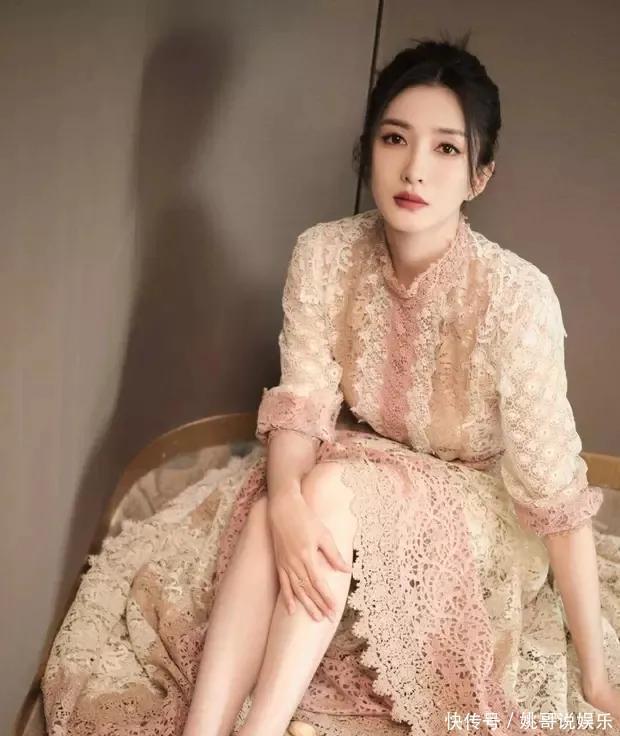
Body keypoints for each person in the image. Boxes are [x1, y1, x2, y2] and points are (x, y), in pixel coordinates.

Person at [42, 34, 620, 736]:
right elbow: (303, 406)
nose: (414, 168)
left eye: (446, 149)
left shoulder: (517, 298)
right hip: (357, 466)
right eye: (394, 138)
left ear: (480, 176)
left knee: (328, 488)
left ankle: (261, 727)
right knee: (278, 506)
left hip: (474, 506)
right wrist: (285, 500)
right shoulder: (323, 254)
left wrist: (596, 674)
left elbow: (555, 497)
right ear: (367, 148)